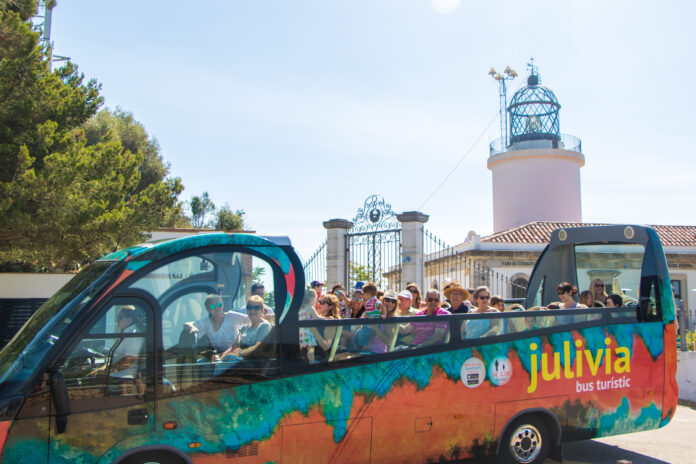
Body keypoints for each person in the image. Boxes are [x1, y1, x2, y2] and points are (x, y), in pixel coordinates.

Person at [218, 296, 272, 367]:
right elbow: (235, 346)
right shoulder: (245, 327)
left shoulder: (265, 326)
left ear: (262, 310)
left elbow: (257, 348)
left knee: (228, 361)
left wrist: (238, 353)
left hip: (255, 364)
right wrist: (222, 356)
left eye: (256, 308)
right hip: (242, 361)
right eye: (249, 308)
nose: (252, 311)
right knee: (213, 363)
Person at [183, 294, 249, 353]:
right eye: (212, 306)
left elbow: (250, 319)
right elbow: (186, 324)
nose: (217, 308)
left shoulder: (231, 316)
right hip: (220, 356)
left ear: (223, 305)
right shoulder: (206, 322)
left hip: (236, 354)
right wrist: (193, 328)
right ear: (207, 309)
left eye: (219, 305)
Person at [309, 294, 342, 360]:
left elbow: (326, 346)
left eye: (322, 302)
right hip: (311, 355)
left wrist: (312, 328)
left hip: (321, 359)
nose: (319, 304)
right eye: (319, 301)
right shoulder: (318, 319)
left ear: (330, 307)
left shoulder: (331, 321)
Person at [351, 282, 381, 351]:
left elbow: (381, 306)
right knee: (357, 333)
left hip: (371, 327)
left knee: (362, 333)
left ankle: (365, 347)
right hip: (366, 326)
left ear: (367, 294)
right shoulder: (369, 302)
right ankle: (355, 347)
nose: (363, 295)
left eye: (363, 294)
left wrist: (383, 314)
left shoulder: (375, 301)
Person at [298, 289, 320, 362]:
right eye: (315, 299)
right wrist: (328, 318)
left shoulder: (300, 309)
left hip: (301, 333)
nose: (316, 302)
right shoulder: (310, 308)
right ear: (311, 299)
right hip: (308, 332)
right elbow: (317, 318)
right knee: (311, 348)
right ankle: (312, 361)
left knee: (302, 348)